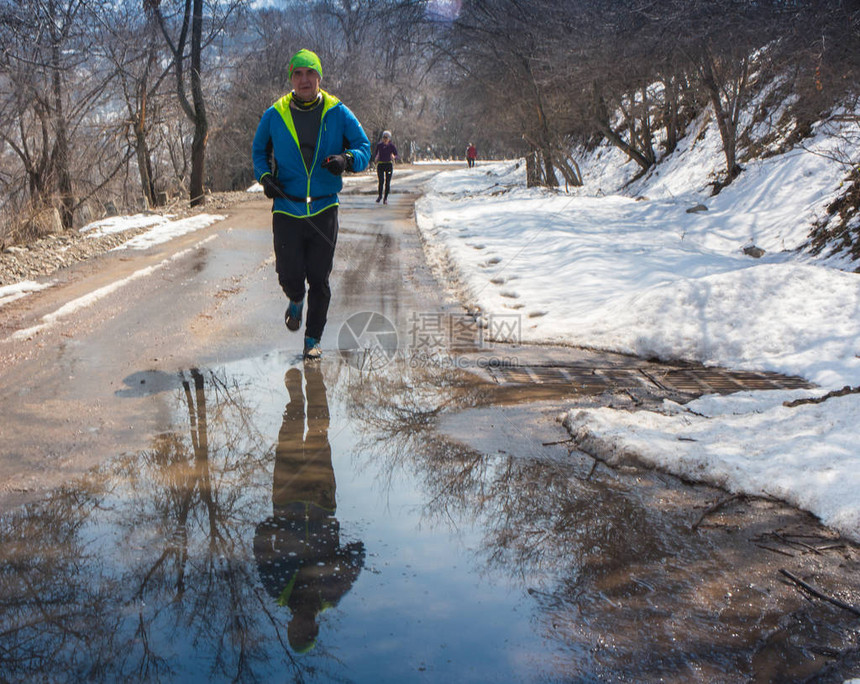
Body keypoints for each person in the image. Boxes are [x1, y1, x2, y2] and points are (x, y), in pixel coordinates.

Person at [252, 49, 370, 360]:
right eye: (298, 73)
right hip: (287, 208)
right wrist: (265, 178)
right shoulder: (274, 114)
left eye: (310, 73)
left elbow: (364, 148)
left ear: (319, 77)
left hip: (323, 208)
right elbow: (258, 151)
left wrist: (347, 160)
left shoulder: (338, 111)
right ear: (291, 78)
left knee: (320, 278)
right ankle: (295, 299)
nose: (304, 79)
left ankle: (313, 339)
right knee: (290, 275)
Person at [254, 366, 365, 653]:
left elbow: (261, 546)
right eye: (307, 631)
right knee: (319, 433)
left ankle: (295, 400)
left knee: (288, 439)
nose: (302, 626)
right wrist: (338, 557)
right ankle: (315, 385)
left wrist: (271, 526)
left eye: (297, 630)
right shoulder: (331, 594)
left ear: (290, 626)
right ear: (315, 628)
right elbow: (358, 553)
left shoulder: (279, 592)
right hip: (320, 499)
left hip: (286, 499)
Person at [373, 130, 397, 204]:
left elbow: (396, 155)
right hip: (381, 164)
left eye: (386, 137)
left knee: (387, 182)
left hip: (388, 164)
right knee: (381, 181)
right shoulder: (379, 145)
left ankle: (385, 198)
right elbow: (376, 153)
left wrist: (394, 156)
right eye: (384, 137)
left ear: (389, 138)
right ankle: (380, 195)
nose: (385, 139)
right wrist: (376, 158)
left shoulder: (391, 146)